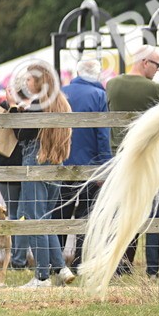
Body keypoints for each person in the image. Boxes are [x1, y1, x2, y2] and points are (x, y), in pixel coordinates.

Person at [0, 62, 74, 288]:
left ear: (39, 82)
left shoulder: (38, 105)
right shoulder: (60, 103)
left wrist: (14, 108)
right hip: (55, 164)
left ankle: (42, 277)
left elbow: (22, 134)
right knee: (46, 218)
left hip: (35, 162)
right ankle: (61, 268)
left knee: (34, 219)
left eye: (29, 79)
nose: (26, 82)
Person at [106, 45, 159, 277]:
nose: (158, 70)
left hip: (119, 157)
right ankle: (153, 268)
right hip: (148, 158)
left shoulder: (112, 85)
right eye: (157, 65)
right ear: (145, 62)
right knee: (153, 213)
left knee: (122, 213)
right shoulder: (154, 89)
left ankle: (120, 265)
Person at [58, 58, 112, 270]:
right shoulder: (99, 95)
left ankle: (55, 262)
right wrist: (104, 168)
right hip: (91, 167)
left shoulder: (61, 93)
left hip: (62, 165)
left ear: (78, 72)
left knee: (59, 213)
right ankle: (80, 262)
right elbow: (102, 134)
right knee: (87, 215)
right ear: (97, 75)